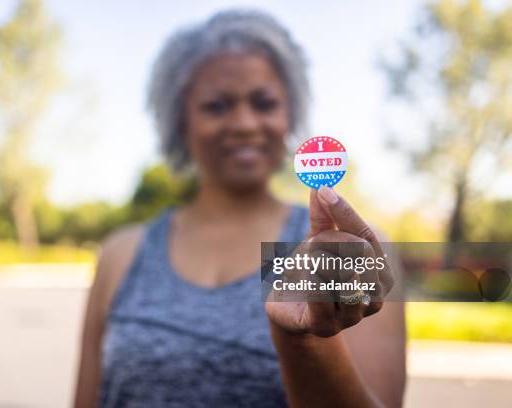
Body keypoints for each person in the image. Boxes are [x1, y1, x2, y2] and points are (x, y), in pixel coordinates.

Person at [74, 9, 406, 408]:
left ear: (290, 115)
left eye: (264, 103)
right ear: (181, 122)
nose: (245, 123)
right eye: (217, 106)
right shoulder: (122, 254)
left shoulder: (343, 254)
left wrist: (300, 340)